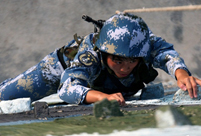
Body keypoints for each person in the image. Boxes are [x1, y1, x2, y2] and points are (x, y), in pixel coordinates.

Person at [0, 13, 200, 106]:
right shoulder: (91, 54)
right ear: (104, 53)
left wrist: (181, 74)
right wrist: (103, 98)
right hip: (60, 70)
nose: (126, 67)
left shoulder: (143, 43)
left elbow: (167, 54)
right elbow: (68, 87)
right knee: (5, 96)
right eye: (118, 60)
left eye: (132, 61)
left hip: (103, 82)